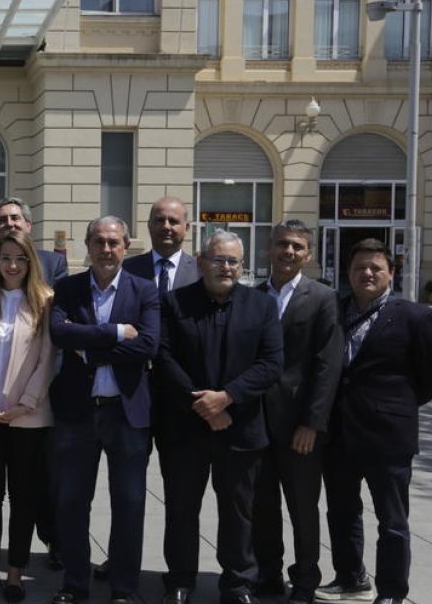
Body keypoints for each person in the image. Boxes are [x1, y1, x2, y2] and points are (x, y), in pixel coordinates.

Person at [155, 230, 283, 604]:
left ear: (242, 266)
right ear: (201, 262)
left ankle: (238, 583)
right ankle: (180, 580)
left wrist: (227, 398)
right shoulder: (175, 303)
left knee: (239, 512)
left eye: (233, 261)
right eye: (218, 260)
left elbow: (271, 363)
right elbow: (163, 358)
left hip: (241, 427)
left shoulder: (261, 305)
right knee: (181, 509)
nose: (225, 267)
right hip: (185, 428)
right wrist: (204, 407)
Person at [317, 239, 432, 604]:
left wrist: (396, 406)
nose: (367, 273)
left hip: (388, 436)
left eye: (375, 267)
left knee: (392, 521)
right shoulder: (333, 309)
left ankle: (391, 591)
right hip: (339, 432)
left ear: (391, 272)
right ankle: (350, 578)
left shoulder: (415, 316)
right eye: (359, 267)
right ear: (348, 272)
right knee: (341, 512)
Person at [48, 217, 160, 604]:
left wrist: (89, 350)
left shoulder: (144, 290)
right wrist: (115, 333)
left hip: (126, 414)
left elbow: (147, 345)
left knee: (129, 504)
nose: (106, 249)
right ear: (88, 246)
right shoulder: (68, 288)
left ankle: (123, 588)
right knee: (72, 502)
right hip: (76, 413)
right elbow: (59, 333)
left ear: (126, 246)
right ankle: (74, 583)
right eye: (99, 241)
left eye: (114, 242)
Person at [95, 195, 201, 584]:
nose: (166, 227)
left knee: (181, 495)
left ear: (187, 227)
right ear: (149, 225)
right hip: (132, 394)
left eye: (174, 221)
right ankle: (121, 561)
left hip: (181, 401)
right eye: (159, 220)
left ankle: (180, 574)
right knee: (127, 491)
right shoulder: (129, 267)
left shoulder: (200, 270)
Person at [0, 196, 67, 568]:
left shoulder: (47, 296)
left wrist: (28, 401)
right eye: (6, 258)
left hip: (30, 411)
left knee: (28, 491)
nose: (13, 264)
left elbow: (49, 354)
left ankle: (23, 565)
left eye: (15, 218)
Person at [251, 221, 342, 604]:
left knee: (303, 507)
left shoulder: (323, 297)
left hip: (299, 426)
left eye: (297, 246)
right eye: (282, 244)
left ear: (308, 255)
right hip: (256, 422)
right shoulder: (252, 296)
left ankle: (305, 579)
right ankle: (268, 574)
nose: (288, 251)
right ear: (269, 248)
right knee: (262, 506)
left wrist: (312, 423)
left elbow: (327, 365)